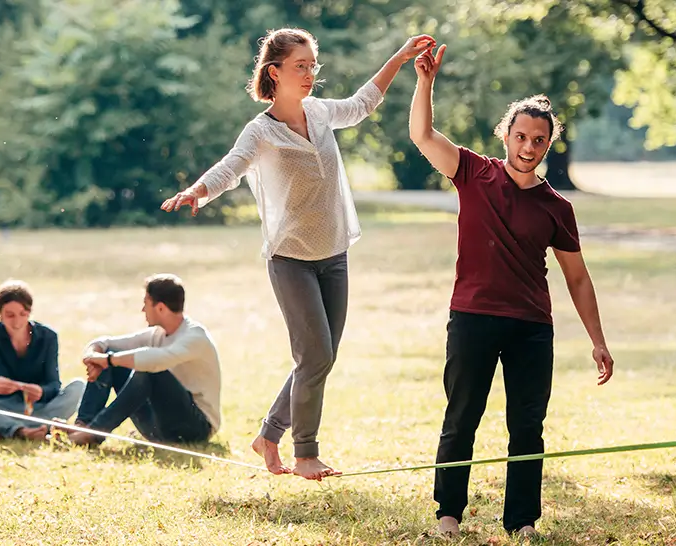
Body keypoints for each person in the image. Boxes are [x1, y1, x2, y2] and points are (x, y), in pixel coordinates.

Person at [159, 28, 436, 480]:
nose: (309, 74)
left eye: (312, 65)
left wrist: (400, 58)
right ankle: (305, 453)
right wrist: (198, 190)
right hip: (290, 259)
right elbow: (231, 167)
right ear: (275, 72)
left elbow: (363, 103)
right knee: (315, 356)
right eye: (300, 66)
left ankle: (269, 435)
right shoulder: (260, 131)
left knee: (319, 358)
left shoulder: (321, 112)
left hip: (334, 254)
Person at [408, 43, 615, 538]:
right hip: (472, 318)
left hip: (530, 327)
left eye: (538, 140)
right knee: (462, 418)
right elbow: (422, 135)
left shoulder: (557, 208)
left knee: (527, 427)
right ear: (506, 134)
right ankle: (448, 515)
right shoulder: (472, 172)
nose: (527, 147)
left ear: (548, 145)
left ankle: (522, 522)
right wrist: (426, 81)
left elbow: (577, 278)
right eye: (520, 136)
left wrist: (598, 340)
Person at [66, 274, 220, 448]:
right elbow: (105, 343)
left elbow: (157, 360)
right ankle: (82, 425)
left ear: (160, 308)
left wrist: (108, 360)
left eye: (146, 303)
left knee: (147, 370)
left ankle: (94, 432)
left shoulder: (195, 337)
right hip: (158, 427)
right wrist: (94, 357)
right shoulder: (158, 334)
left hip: (196, 428)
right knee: (111, 356)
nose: (142, 310)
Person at [0, 280, 86, 442]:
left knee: (79, 386)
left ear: (30, 312)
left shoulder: (47, 336)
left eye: (23, 314)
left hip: (39, 408)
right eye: (10, 315)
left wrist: (41, 391)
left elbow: (54, 384)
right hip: (2, 407)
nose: (17, 322)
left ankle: (4, 429)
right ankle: (22, 430)